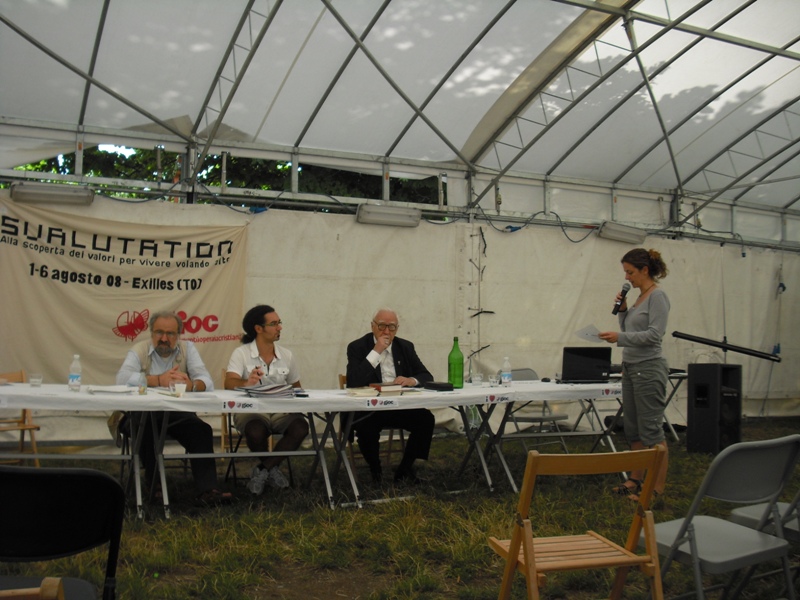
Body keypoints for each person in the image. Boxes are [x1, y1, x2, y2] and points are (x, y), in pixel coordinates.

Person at [116, 311, 231, 505]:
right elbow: (122, 379)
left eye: (170, 334)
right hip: (140, 414)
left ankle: (208, 490)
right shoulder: (140, 349)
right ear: (151, 333)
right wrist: (157, 380)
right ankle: (154, 486)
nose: (164, 338)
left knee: (201, 430)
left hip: (176, 414)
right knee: (146, 428)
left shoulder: (187, 348)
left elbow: (206, 380)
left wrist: (192, 385)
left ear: (178, 335)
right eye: (159, 332)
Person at [599, 248, 670, 501]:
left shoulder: (657, 296)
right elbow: (629, 330)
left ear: (645, 270)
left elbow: (654, 335)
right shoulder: (640, 297)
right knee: (634, 429)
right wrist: (622, 310)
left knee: (651, 430)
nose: (627, 277)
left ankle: (656, 490)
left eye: (630, 272)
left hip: (648, 368)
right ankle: (635, 479)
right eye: (625, 272)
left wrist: (620, 337)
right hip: (630, 367)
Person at [224, 305, 308, 496]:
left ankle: (263, 469)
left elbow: (296, 387)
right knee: (255, 430)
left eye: (279, 322)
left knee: (301, 427)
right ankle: (272, 469)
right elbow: (229, 383)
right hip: (251, 410)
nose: (280, 327)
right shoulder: (241, 353)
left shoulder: (287, 355)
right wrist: (247, 382)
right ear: (258, 328)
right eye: (274, 324)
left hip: (281, 410)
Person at [346, 308, 435, 483]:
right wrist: (376, 351)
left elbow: (426, 376)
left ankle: (405, 469)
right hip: (370, 408)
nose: (386, 331)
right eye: (382, 326)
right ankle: (375, 470)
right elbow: (354, 381)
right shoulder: (357, 347)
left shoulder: (405, 347)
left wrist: (411, 380)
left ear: (397, 329)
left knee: (426, 420)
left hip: (399, 406)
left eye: (392, 327)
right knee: (365, 427)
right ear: (372, 326)